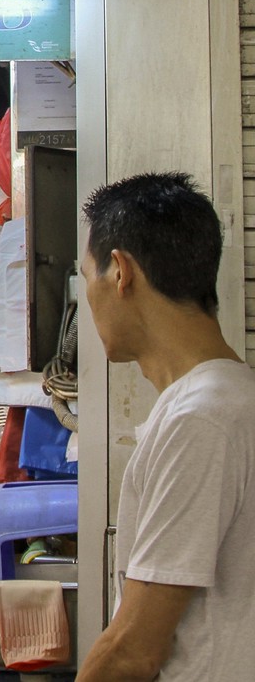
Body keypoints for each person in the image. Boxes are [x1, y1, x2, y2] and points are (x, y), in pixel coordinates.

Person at [74, 172, 255, 682]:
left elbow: (134, 650)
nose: (88, 298)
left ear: (120, 272)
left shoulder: (202, 419)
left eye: (86, 277)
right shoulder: (229, 399)